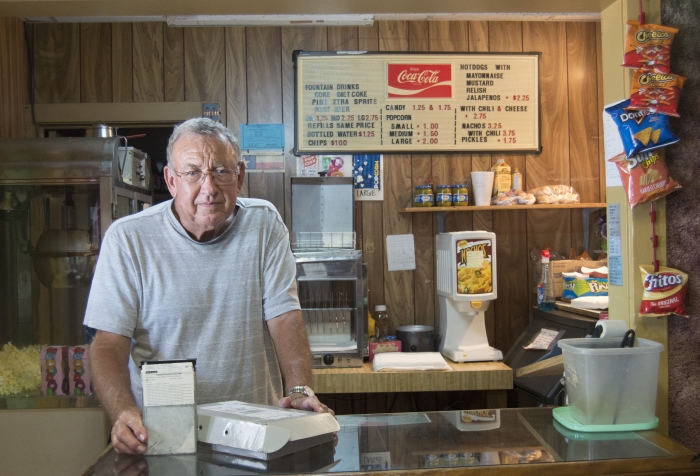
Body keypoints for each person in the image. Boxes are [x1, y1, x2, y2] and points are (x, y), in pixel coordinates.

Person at [84, 117, 332, 455]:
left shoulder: (264, 224)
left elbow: (285, 318)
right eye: (193, 173)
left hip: (257, 435)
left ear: (240, 177)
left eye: (220, 171)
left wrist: (300, 389)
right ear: (171, 180)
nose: (209, 188)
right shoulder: (128, 239)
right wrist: (123, 411)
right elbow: (108, 345)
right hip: (165, 438)